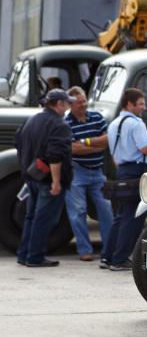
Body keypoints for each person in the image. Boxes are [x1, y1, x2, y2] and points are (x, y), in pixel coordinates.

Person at [102, 88, 147, 271]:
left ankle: (107, 256)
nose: (143, 108)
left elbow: (114, 155)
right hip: (138, 172)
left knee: (120, 216)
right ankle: (119, 259)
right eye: (141, 104)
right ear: (129, 104)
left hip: (122, 171)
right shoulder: (137, 123)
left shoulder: (114, 124)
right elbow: (145, 149)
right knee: (134, 218)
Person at [15, 89, 74, 267]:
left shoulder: (31, 120)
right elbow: (55, 156)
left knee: (31, 217)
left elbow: (18, 143)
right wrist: (56, 182)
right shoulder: (59, 125)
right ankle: (35, 257)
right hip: (49, 182)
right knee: (44, 219)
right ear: (59, 104)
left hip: (32, 177)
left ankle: (24, 254)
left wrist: (28, 168)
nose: (68, 107)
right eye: (67, 103)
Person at [64, 86, 112, 262]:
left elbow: (106, 141)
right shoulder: (66, 123)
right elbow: (72, 149)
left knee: (106, 210)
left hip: (97, 172)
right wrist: (95, 145)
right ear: (70, 105)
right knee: (78, 211)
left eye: (84, 101)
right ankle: (84, 249)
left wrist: (85, 142)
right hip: (77, 172)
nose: (83, 105)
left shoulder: (97, 117)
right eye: (79, 103)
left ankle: (109, 249)